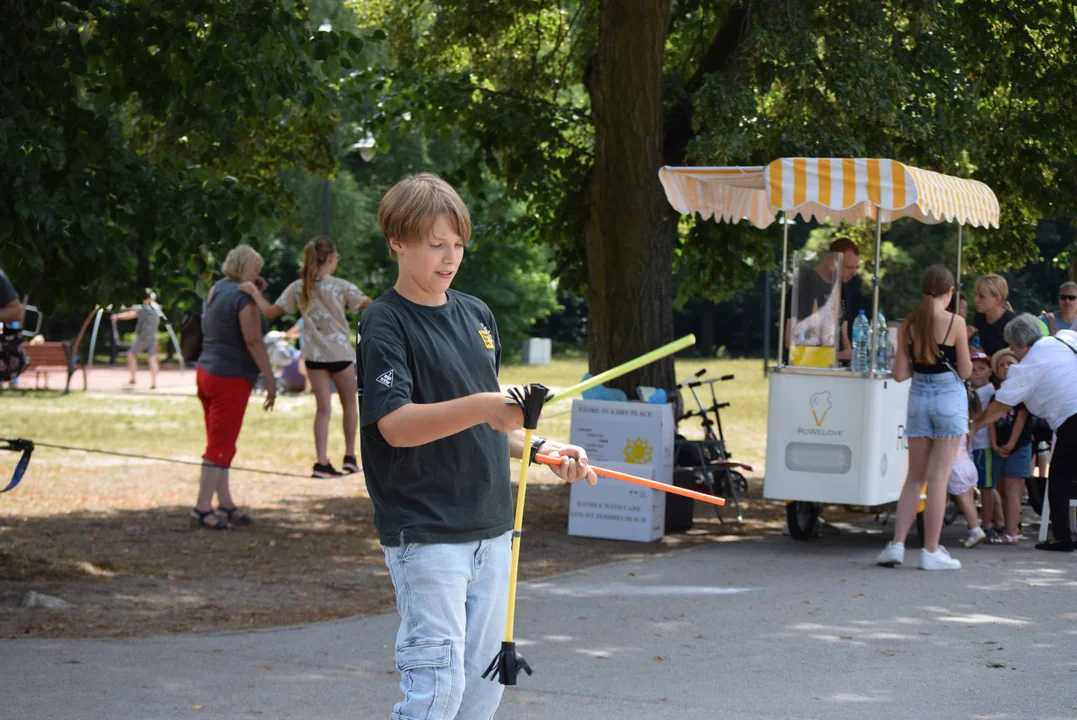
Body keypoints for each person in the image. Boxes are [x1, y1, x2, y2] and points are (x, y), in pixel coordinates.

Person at [359, 173, 598, 719]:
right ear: (398, 240)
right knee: (436, 689)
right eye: (435, 243)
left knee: (482, 689)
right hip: (427, 531)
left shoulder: (477, 315)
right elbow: (394, 425)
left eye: (458, 243)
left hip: (493, 529)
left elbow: (490, 424)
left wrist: (542, 450)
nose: (450, 257)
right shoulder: (384, 321)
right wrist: (484, 405)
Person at [240, 236, 373, 478]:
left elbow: (270, 311)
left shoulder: (298, 287)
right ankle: (350, 457)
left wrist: (253, 292)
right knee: (350, 405)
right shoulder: (341, 286)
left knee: (322, 410)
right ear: (332, 259)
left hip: (313, 355)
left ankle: (321, 462)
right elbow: (370, 306)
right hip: (340, 353)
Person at [878, 265, 970, 570]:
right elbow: (967, 371)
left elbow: (900, 374)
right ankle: (931, 550)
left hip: (918, 399)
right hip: (948, 399)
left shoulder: (909, 324)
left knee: (913, 478)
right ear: (949, 292)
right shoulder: (955, 322)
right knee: (938, 479)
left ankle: (896, 544)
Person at [974, 314, 1077, 552]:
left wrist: (971, 426)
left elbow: (1000, 406)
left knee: (1059, 480)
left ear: (1018, 345)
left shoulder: (1029, 364)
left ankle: (1062, 538)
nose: (1012, 351)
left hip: (1072, 419)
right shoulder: (1065, 337)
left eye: (1011, 346)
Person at [192, 245, 276, 530]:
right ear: (243, 268)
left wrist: (257, 288)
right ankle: (202, 508)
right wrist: (271, 380)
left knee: (219, 441)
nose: (258, 274)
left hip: (206, 372)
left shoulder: (217, 288)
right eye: (255, 269)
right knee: (220, 445)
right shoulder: (243, 298)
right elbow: (254, 341)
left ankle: (225, 502)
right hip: (230, 378)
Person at [988, 348, 1032, 545]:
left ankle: (1012, 532)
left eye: (1010, 364)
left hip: (1019, 446)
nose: (1006, 367)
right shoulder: (995, 395)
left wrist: (1011, 444)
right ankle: (1005, 526)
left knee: (1013, 489)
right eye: (1002, 365)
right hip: (999, 447)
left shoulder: (1022, 391)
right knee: (1001, 488)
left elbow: (1021, 418)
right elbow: (990, 420)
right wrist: (995, 445)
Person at [951, 351, 992, 549]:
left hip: (956, 467)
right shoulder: (967, 427)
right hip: (968, 465)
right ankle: (973, 528)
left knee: (963, 501)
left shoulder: (953, 425)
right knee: (968, 501)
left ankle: (975, 529)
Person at [969, 352, 1002, 541]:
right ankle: (999, 520)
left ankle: (987, 523)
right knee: (986, 485)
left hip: (984, 444)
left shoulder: (989, 392)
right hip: (975, 444)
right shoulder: (974, 391)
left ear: (990, 371)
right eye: (973, 369)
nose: (977, 373)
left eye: (982, 369)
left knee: (987, 487)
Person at [112, 290, 162, 389]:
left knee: (130, 354)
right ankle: (154, 383)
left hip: (144, 337)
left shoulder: (143, 309)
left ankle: (133, 378)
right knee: (152, 358)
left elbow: (130, 314)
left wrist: (117, 316)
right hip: (153, 336)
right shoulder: (156, 308)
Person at [971, 274, 1016, 357]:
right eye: (976, 294)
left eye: (981, 296)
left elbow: (1011, 358)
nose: (976, 299)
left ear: (997, 299)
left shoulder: (1012, 322)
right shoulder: (979, 317)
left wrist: (982, 355)